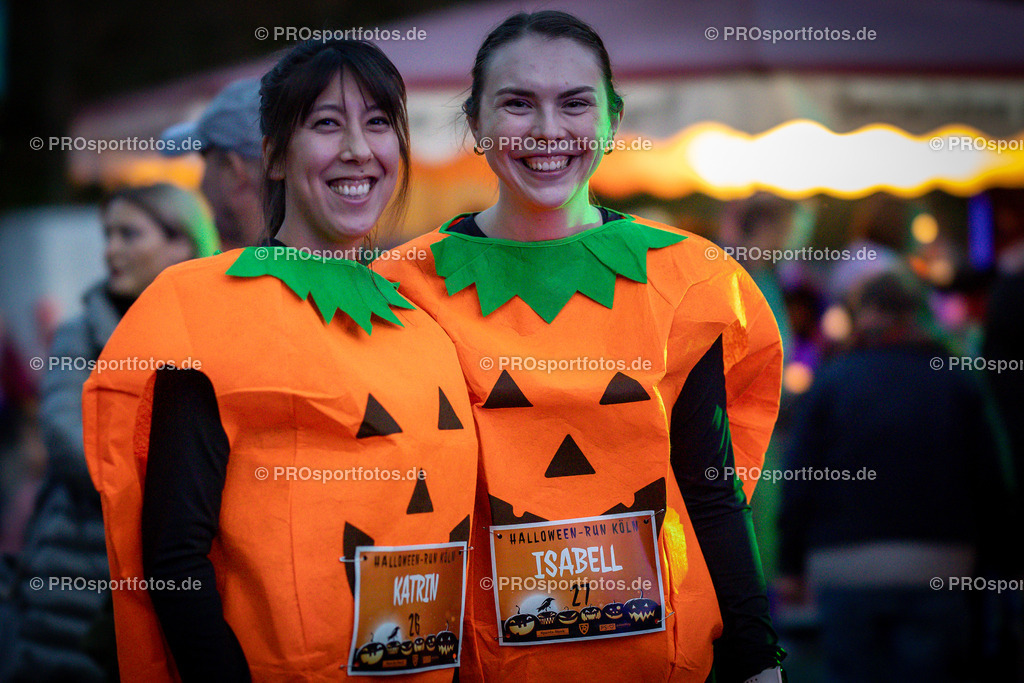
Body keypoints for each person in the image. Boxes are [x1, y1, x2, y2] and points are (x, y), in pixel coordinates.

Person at [377, 11, 785, 682]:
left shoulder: (685, 277)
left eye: (575, 103)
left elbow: (708, 488)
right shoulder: (402, 288)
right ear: (475, 124)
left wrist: (758, 656)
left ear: (612, 122)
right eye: (517, 103)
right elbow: (399, 504)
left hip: (665, 663)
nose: (547, 130)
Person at [83, 39, 477, 681]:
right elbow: (175, 557)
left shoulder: (426, 319)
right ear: (272, 157)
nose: (358, 148)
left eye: (378, 123)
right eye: (326, 123)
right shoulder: (202, 308)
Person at [2, 183, 218, 683]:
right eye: (108, 234)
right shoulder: (83, 331)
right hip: (77, 576)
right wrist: (175, 491)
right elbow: (66, 437)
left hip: (178, 577)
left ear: (183, 243)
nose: (111, 250)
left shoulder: (211, 330)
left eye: (129, 234)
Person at [777, 269, 1015, 682]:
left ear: (863, 316)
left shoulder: (832, 382)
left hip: (844, 569)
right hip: (940, 567)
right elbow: (991, 482)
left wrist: (790, 566)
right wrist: (999, 568)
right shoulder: (956, 380)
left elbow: (800, 481)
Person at [161, 77, 265, 249]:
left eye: (204, 159)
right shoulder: (317, 259)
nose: (200, 184)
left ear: (233, 170)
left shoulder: (230, 273)